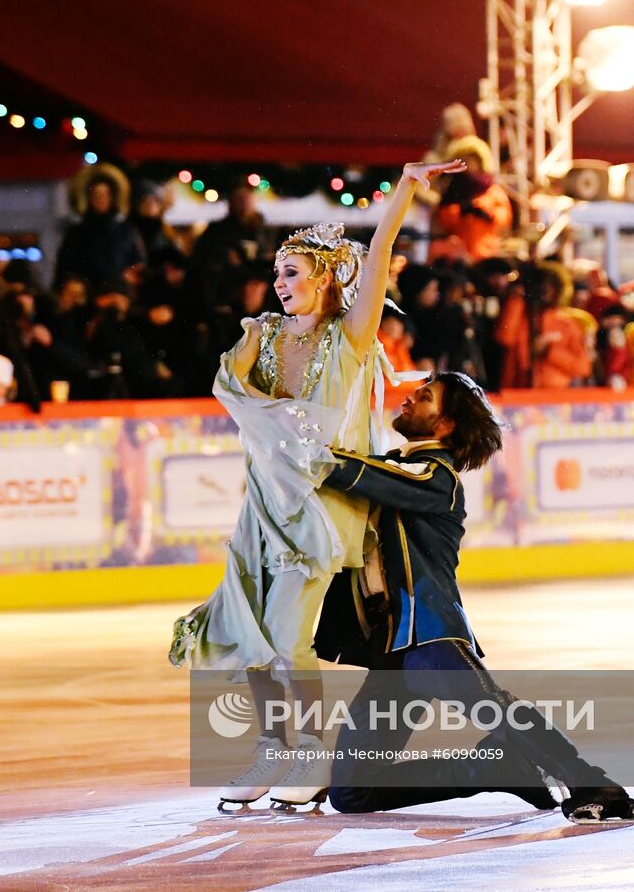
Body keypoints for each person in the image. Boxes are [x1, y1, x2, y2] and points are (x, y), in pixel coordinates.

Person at [168, 159, 467, 813]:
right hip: (264, 505)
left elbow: (381, 249)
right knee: (249, 635)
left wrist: (408, 184)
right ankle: (276, 746)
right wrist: (248, 345)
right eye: (275, 272)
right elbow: (233, 391)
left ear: (326, 277)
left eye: (292, 271)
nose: (278, 282)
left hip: (322, 509)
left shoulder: (348, 338)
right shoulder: (267, 341)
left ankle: (306, 752)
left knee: (284, 637)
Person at [315, 374, 634, 823]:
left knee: (496, 707)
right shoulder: (400, 467)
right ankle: (493, 767)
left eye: (425, 396)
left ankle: (593, 784)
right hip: (393, 650)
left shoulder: (436, 477)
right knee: (352, 793)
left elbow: (350, 470)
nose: (409, 396)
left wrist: (303, 447)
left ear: (446, 425)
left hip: (430, 634)